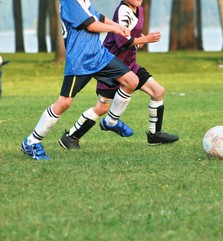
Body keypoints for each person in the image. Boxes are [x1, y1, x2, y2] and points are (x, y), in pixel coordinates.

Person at [21, 0, 139, 160]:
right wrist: (116, 29)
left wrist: (118, 26)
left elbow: (98, 17)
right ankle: (32, 141)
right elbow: (91, 25)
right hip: (80, 60)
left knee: (131, 80)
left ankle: (111, 121)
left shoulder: (83, 1)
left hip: (99, 56)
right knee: (64, 102)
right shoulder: (69, 1)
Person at [58, 0, 178, 149]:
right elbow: (122, 42)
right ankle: (71, 137)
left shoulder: (139, 10)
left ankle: (154, 134)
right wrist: (145, 39)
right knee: (101, 108)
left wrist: (141, 37)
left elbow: (132, 33)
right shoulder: (123, 10)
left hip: (130, 65)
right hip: (112, 66)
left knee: (158, 91)